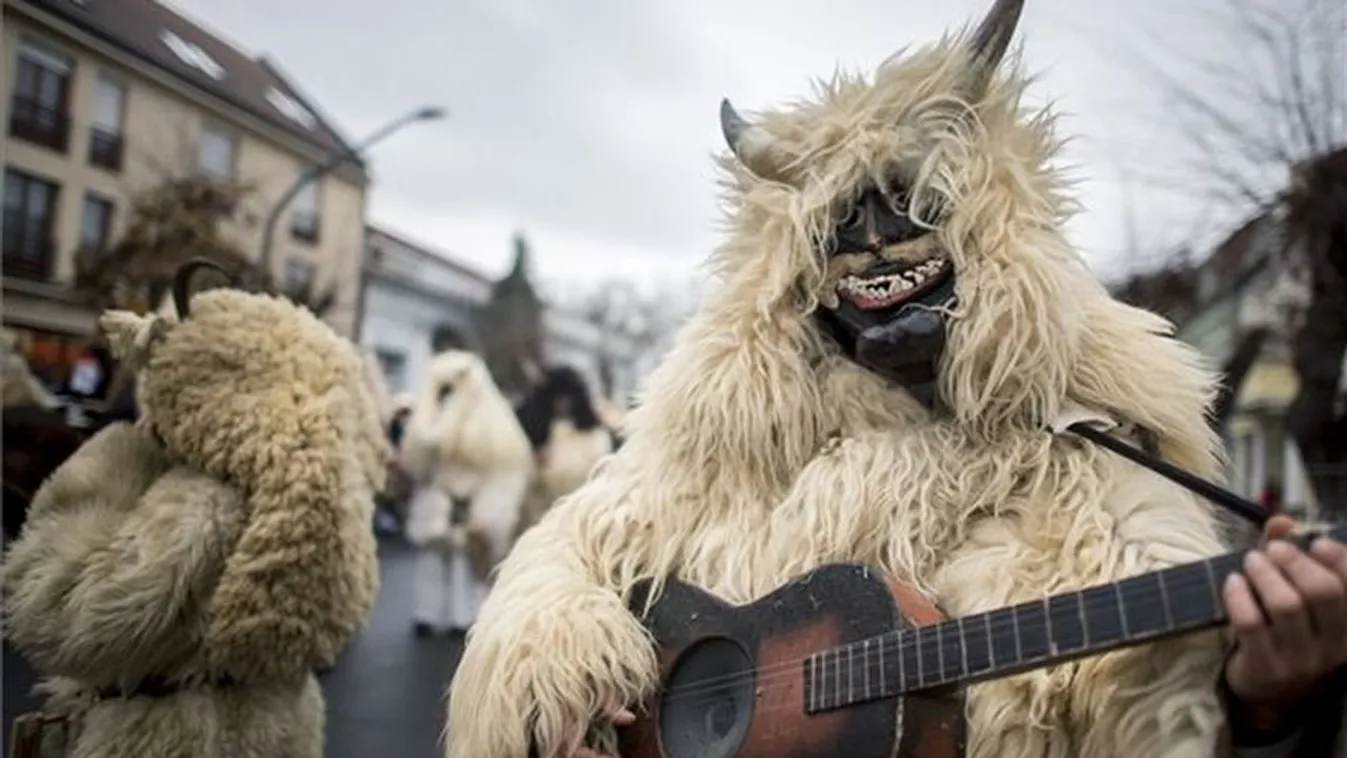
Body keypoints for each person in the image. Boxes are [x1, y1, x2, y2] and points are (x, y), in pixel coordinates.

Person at [442, 1, 1347, 756]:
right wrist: (549, 691)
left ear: (988, 230)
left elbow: (1158, 705)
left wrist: (1261, 706)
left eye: (910, 207)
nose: (875, 241)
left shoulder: (1095, 450)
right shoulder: (721, 435)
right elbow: (568, 560)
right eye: (840, 222)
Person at [2, 270, 387, 758]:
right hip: (274, 726)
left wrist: (117, 456)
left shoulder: (205, 499)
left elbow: (55, 616)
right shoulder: (313, 481)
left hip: (170, 737)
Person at [399, 350, 535, 638]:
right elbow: (423, 450)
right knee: (434, 557)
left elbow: (504, 471)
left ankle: (465, 617)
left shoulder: (491, 426)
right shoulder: (438, 414)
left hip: (473, 502)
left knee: (467, 561)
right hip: (440, 497)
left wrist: (487, 513)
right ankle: (428, 613)